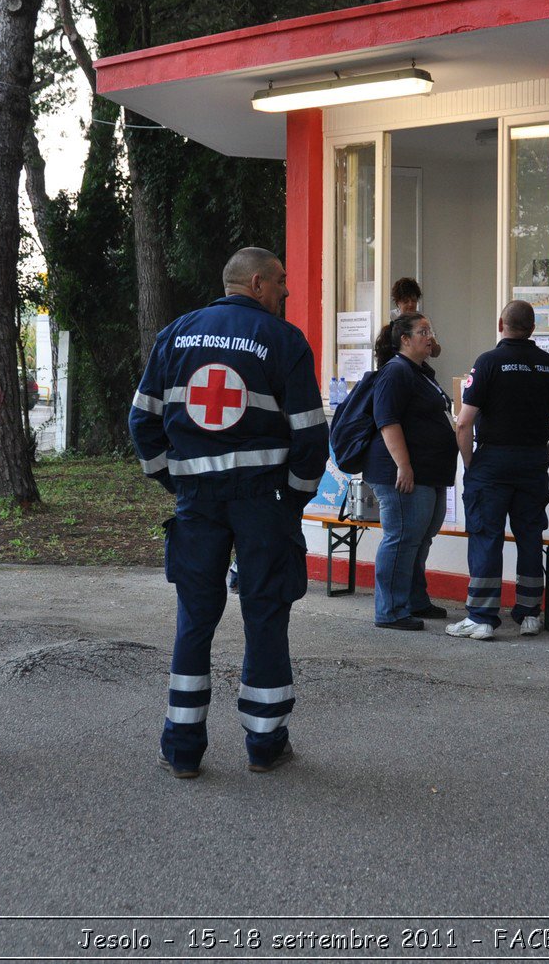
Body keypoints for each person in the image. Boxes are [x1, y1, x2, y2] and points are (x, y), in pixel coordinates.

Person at [129, 247, 329, 779]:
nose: (287, 291)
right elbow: (310, 433)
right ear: (258, 283)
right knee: (266, 612)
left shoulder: (177, 333)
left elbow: (141, 420)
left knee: (194, 617)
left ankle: (182, 747)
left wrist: (173, 478)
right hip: (264, 502)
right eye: (282, 281)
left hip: (197, 501)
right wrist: (296, 496)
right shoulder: (283, 341)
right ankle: (265, 743)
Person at [448, 300, 549, 641]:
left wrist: (469, 463)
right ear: (532, 329)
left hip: (492, 463)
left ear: (500, 324)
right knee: (529, 537)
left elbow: (464, 422)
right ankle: (529, 614)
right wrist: (546, 454)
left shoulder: (489, 362)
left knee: (486, 536)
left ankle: (482, 617)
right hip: (532, 463)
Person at [365, 312, 458, 631]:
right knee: (402, 537)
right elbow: (387, 421)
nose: (429, 336)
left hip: (430, 473)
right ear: (405, 340)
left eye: (431, 330)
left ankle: (415, 599)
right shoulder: (395, 372)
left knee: (421, 537)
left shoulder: (421, 372)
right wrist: (403, 466)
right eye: (423, 331)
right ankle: (390, 610)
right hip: (404, 473)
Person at [376, 277, 442, 367]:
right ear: (398, 302)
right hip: (395, 365)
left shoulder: (423, 320)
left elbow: (436, 352)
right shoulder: (389, 317)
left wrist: (428, 337)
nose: (410, 305)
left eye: (414, 301)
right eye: (406, 301)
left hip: (418, 367)